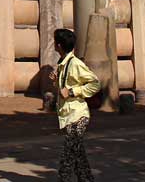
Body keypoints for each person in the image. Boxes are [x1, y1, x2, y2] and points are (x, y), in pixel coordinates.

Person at [52, 28, 101, 182]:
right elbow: (62, 92)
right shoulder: (62, 64)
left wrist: (73, 92)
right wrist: (56, 81)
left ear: (59, 46)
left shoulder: (75, 64)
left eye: (55, 41)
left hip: (78, 116)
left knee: (67, 157)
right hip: (68, 116)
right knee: (78, 156)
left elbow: (95, 83)